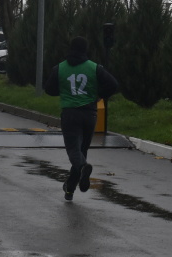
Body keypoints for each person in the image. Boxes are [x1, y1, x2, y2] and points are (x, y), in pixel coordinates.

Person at [43, 36, 119, 202]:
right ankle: (70, 188)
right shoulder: (94, 67)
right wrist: (99, 95)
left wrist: (63, 90)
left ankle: (83, 168)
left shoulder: (60, 68)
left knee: (73, 150)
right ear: (85, 50)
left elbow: (48, 89)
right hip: (90, 114)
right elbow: (113, 85)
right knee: (82, 151)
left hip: (70, 113)